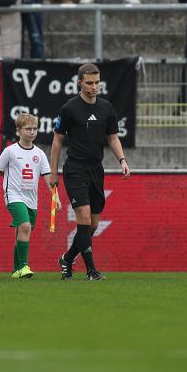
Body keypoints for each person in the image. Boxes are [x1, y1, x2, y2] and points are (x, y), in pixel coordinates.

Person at [50, 63, 131, 281]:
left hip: (96, 169)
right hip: (75, 168)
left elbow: (113, 137)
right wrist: (53, 172)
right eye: (89, 83)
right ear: (79, 83)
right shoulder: (69, 108)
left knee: (93, 225)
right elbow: (57, 140)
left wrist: (122, 160)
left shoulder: (107, 108)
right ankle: (91, 271)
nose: (94, 86)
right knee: (84, 218)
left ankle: (67, 258)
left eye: (96, 82)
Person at [0, 113, 54, 278]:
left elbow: (48, 178)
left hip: (32, 200)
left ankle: (16, 270)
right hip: (13, 195)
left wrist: (56, 197)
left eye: (34, 129)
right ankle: (24, 267)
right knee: (24, 226)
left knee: (23, 231)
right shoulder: (10, 151)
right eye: (28, 129)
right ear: (18, 131)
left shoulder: (39, 154)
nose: (32, 132)